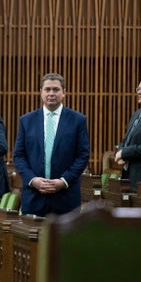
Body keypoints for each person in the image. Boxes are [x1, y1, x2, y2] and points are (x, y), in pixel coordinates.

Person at [13, 73, 90, 217]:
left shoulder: (77, 120)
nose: (51, 93)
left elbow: (82, 155)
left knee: (65, 240)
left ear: (64, 93)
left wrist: (63, 181)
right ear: (40, 92)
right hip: (33, 197)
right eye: (47, 89)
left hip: (66, 198)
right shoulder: (26, 121)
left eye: (56, 89)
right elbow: (18, 156)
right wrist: (33, 180)